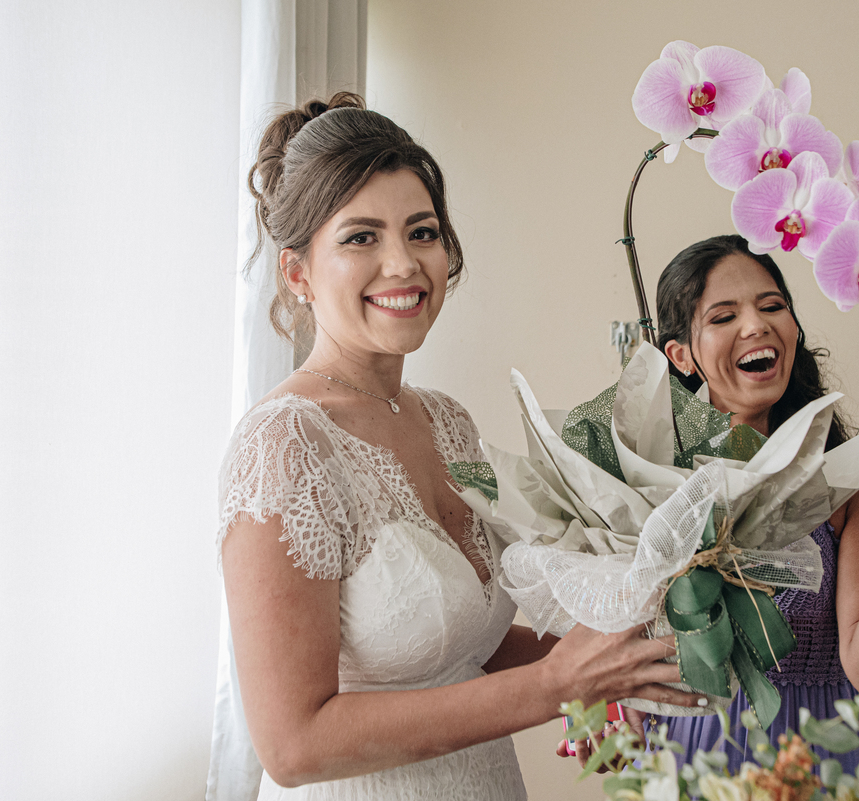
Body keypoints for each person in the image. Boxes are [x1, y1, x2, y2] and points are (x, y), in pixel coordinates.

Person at [214, 93, 707, 801]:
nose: (403, 263)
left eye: (422, 232)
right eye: (361, 238)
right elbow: (293, 745)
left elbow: (465, 645)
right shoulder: (282, 445)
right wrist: (553, 685)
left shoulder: (447, 421)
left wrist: (623, 662)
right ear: (298, 274)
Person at [569, 234, 859, 775]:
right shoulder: (642, 483)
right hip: (685, 766)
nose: (756, 325)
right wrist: (606, 712)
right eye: (723, 316)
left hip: (818, 767)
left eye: (772, 306)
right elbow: (605, 661)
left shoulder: (856, 480)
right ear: (680, 355)